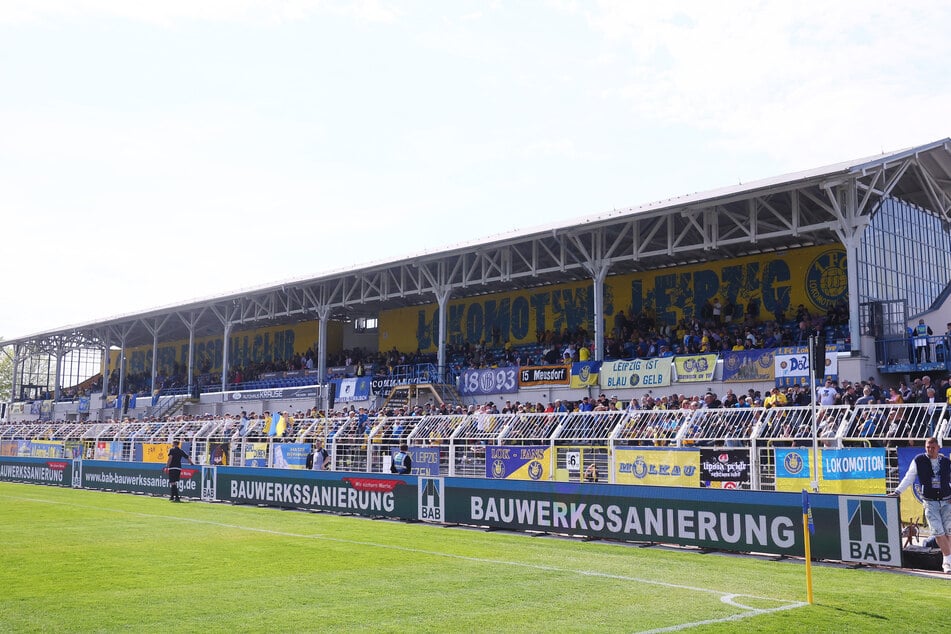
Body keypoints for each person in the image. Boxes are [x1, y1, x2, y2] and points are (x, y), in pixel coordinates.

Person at [890, 437, 951, 573]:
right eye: (928, 447)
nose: (930, 450)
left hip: (946, 501)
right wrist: (897, 491)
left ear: (938, 448)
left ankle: (947, 560)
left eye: (933, 447)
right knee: (938, 532)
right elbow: (909, 477)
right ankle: (947, 562)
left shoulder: (946, 462)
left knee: (948, 532)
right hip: (930, 502)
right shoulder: (919, 460)